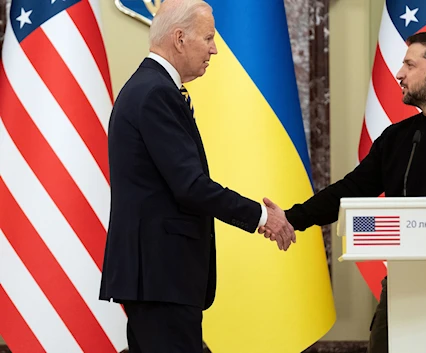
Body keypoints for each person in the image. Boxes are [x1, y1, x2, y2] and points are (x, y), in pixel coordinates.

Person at [262, 31, 426, 352]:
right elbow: (353, 190)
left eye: (410, 65)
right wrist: (290, 218)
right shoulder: (398, 138)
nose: (399, 73)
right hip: (404, 284)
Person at [99, 1, 295, 352]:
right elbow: (190, 186)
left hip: (157, 277)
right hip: (162, 276)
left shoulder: (149, 87)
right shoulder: (156, 93)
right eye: (208, 38)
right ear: (179, 39)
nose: (214, 49)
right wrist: (262, 216)